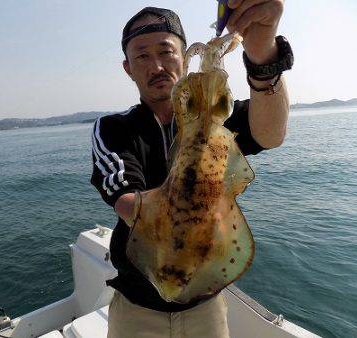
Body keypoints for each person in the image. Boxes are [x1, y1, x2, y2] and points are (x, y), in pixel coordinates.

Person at [90, 1, 292, 337]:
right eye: (142, 55)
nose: (156, 65)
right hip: (137, 308)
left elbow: (270, 134)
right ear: (127, 67)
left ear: (184, 58)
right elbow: (127, 202)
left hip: (205, 306)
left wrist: (263, 55)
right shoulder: (114, 129)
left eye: (166, 52)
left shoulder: (218, 124)